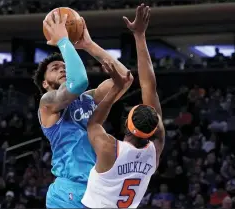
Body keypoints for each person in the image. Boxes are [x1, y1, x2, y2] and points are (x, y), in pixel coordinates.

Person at [33, 11, 132, 208]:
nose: (62, 68)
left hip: (99, 189)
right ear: (44, 83)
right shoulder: (48, 103)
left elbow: (125, 78)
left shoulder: (89, 98)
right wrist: (63, 41)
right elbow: (78, 82)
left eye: (64, 65)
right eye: (54, 68)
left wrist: (89, 45)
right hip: (69, 191)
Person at [81, 4, 165, 208]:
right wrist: (139, 35)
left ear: (127, 124)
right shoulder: (155, 150)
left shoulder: (111, 148)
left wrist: (116, 87)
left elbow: (92, 124)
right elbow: (149, 86)